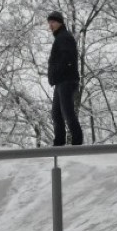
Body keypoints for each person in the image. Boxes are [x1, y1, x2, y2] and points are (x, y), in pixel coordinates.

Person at [46, 10, 83, 146]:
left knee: (67, 112)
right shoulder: (60, 37)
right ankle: (59, 142)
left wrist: (56, 72)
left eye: (53, 22)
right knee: (56, 113)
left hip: (66, 80)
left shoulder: (64, 37)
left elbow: (67, 59)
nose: (51, 25)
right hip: (61, 81)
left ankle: (77, 142)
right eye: (49, 23)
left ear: (60, 22)